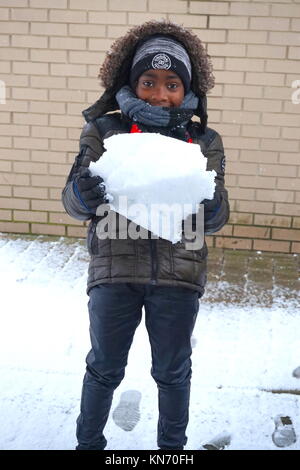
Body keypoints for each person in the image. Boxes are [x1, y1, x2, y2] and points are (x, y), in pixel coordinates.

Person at [62, 20, 229, 451]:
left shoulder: (203, 139)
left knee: (173, 372)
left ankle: (172, 451)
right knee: (104, 367)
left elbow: (216, 215)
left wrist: (210, 204)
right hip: (115, 271)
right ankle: (88, 446)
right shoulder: (106, 131)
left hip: (179, 273)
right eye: (148, 82)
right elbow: (74, 201)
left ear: (186, 88)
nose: (160, 93)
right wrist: (84, 192)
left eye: (172, 83)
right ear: (132, 83)